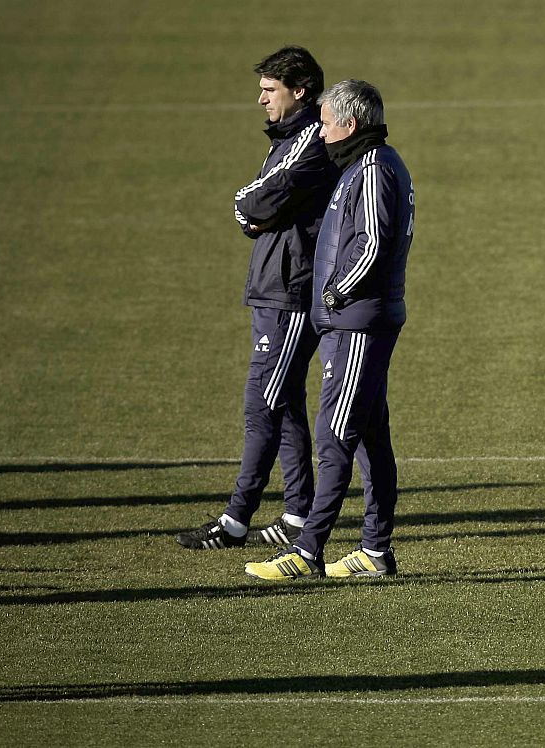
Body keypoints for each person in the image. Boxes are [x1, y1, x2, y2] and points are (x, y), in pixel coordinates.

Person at [246, 79, 415, 580]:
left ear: (351, 124)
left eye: (324, 124)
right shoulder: (369, 165)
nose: (320, 133)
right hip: (357, 320)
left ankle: (307, 551)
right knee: (370, 435)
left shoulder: (372, 169)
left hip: (357, 322)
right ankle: (375, 551)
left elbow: (373, 243)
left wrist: (337, 293)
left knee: (335, 435)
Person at [177, 46, 339, 551]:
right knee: (283, 403)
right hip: (275, 286)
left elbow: (255, 200)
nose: (261, 99)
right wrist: (253, 211)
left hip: (291, 291)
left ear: (300, 91)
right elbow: (257, 208)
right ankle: (297, 513)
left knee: (262, 403)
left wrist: (249, 208)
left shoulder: (308, 138)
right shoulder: (288, 137)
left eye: (270, 90)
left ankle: (236, 520)